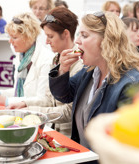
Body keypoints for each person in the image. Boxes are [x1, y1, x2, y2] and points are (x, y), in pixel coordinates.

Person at [48, 11, 139, 151]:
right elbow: (64, 95)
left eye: (84, 35)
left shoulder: (133, 83)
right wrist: (62, 70)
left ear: (107, 40)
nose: (77, 41)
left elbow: (125, 144)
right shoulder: (90, 71)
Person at [7, 7, 83, 137]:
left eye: (50, 36)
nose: (47, 42)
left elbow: (69, 111)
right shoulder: (55, 59)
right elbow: (49, 98)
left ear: (65, 34)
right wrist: (25, 104)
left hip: (69, 136)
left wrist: (32, 111)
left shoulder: (80, 65)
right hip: (54, 131)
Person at [0, 13, 55, 105]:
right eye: (9, 37)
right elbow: (18, 91)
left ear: (29, 37)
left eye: (14, 37)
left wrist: (6, 101)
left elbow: (43, 100)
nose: (10, 41)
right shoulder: (21, 57)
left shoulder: (47, 59)